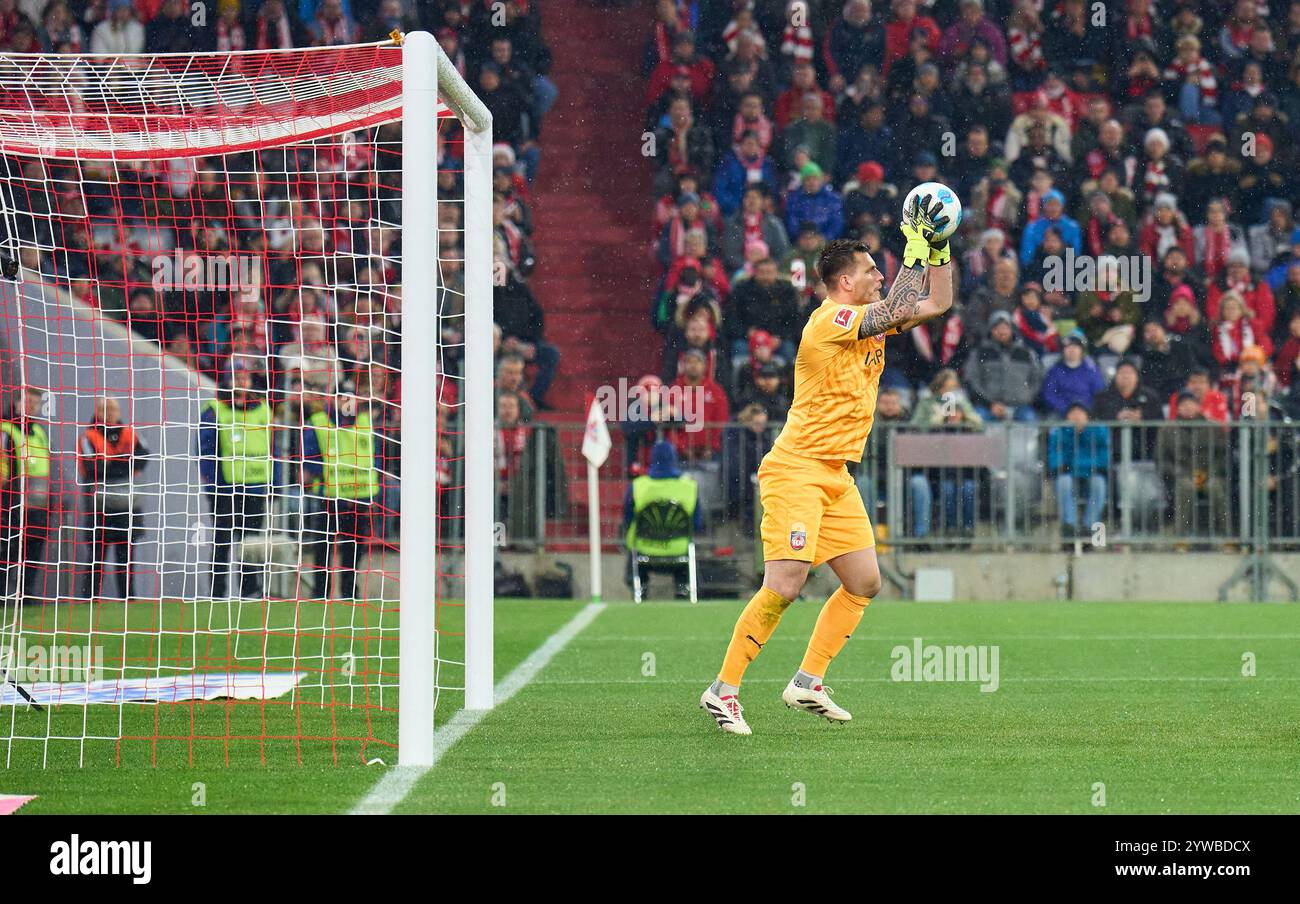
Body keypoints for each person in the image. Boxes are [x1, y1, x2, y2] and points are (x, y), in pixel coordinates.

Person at [701, 194, 954, 735]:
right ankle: (723, 691)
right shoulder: (829, 321)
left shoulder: (870, 322)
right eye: (871, 270)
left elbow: (937, 302)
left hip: (837, 475)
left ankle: (808, 681)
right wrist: (914, 246)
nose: (880, 276)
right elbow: (896, 307)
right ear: (844, 282)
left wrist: (938, 249)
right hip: (797, 468)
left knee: (864, 582)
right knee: (786, 584)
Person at [197, 365, 278, 601]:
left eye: (245, 377)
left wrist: (275, 482)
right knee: (222, 541)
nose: (242, 382)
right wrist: (213, 483)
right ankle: (217, 593)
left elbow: (272, 449)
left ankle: (249, 591)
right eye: (237, 377)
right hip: (225, 488)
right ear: (228, 380)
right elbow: (205, 450)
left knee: (250, 542)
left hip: (256, 486)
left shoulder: (263, 409)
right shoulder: (214, 410)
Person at [302, 384, 382, 602]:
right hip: (330, 497)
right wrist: (324, 474)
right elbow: (309, 458)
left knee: (353, 548)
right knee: (323, 546)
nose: (347, 403)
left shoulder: (365, 422)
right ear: (333, 399)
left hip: (359, 497)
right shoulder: (319, 422)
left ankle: (349, 593)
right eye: (342, 398)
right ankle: (320, 592)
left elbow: (375, 457)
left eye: (350, 398)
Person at [78, 396, 147, 601]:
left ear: (119, 412)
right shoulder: (88, 437)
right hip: (100, 507)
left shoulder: (131, 433)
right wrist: (124, 462)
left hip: (127, 506)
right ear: (98, 412)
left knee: (126, 558)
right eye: (105, 409)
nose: (109, 413)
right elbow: (93, 468)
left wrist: (110, 463)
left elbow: (143, 458)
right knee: (96, 557)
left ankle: (128, 599)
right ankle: (89, 600)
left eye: (113, 409)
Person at [622, 440, 702, 599]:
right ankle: (682, 588)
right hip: (679, 549)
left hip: (644, 549)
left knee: (634, 552)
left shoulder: (638, 486)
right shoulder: (689, 486)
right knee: (685, 561)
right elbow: (697, 524)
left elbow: (627, 519)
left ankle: (639, 587)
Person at [0, 387, 53, 602]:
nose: (31, 406)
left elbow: (47, 469)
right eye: (27, 401)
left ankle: (27, 597)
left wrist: (50, 502)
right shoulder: (5, 430)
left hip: (38, 507)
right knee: (7, 553)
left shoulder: (39, 432)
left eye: (35, 403)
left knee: (32, 554)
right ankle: (2, 597)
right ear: (16, 403)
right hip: (12, 505)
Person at [1047, 402, 1110, 543]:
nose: (1076, 416)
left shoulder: (1098, 430)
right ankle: (1070, 526)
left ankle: (1090, 526)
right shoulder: (1059, 431)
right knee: (1063, 482)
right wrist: (1063, 467)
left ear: (1087, 416)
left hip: (1090, 474)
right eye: (1073, 413)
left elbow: (1104, 455)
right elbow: (1055, 454)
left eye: (1080, 413)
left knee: (1099, 483)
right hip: (1069, 475)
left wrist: (1084, 467)